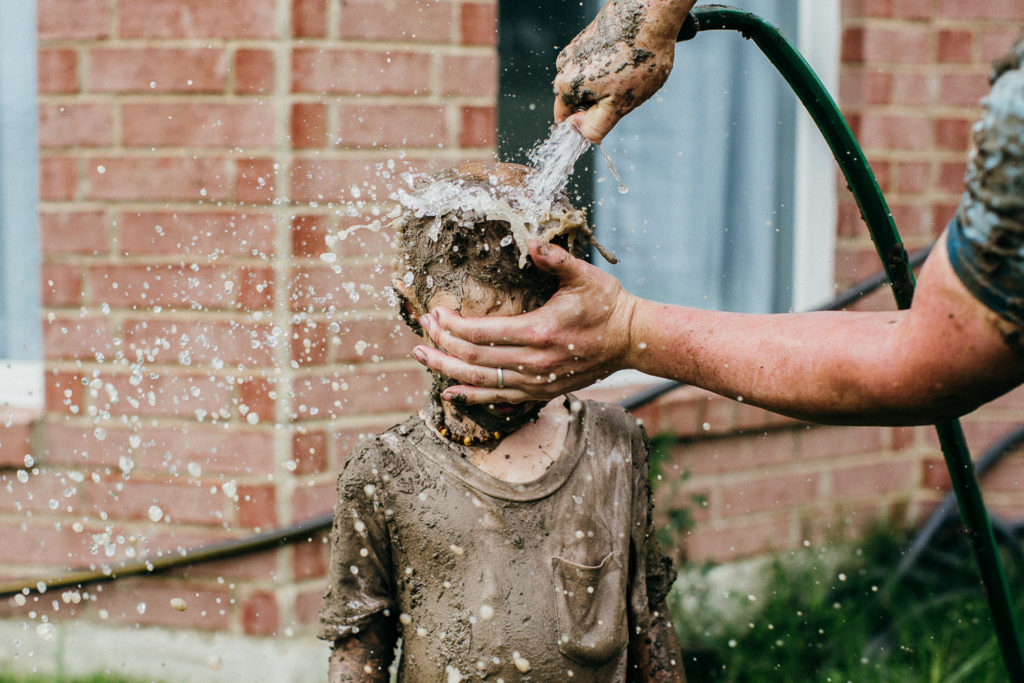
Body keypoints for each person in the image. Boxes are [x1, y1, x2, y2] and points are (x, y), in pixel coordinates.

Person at [410, 6, 1024, 428]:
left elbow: (935, 360)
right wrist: (648, 15)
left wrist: (629, 331)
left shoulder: (607, 452)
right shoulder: (390, 478)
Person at [317, 162, 685, 681]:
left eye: (525, 343)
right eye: (474, 344)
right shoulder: (385, 474)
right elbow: (359, 652)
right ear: (410, 308)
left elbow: (649, 619)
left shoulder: (613, 445)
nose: (499, 373)